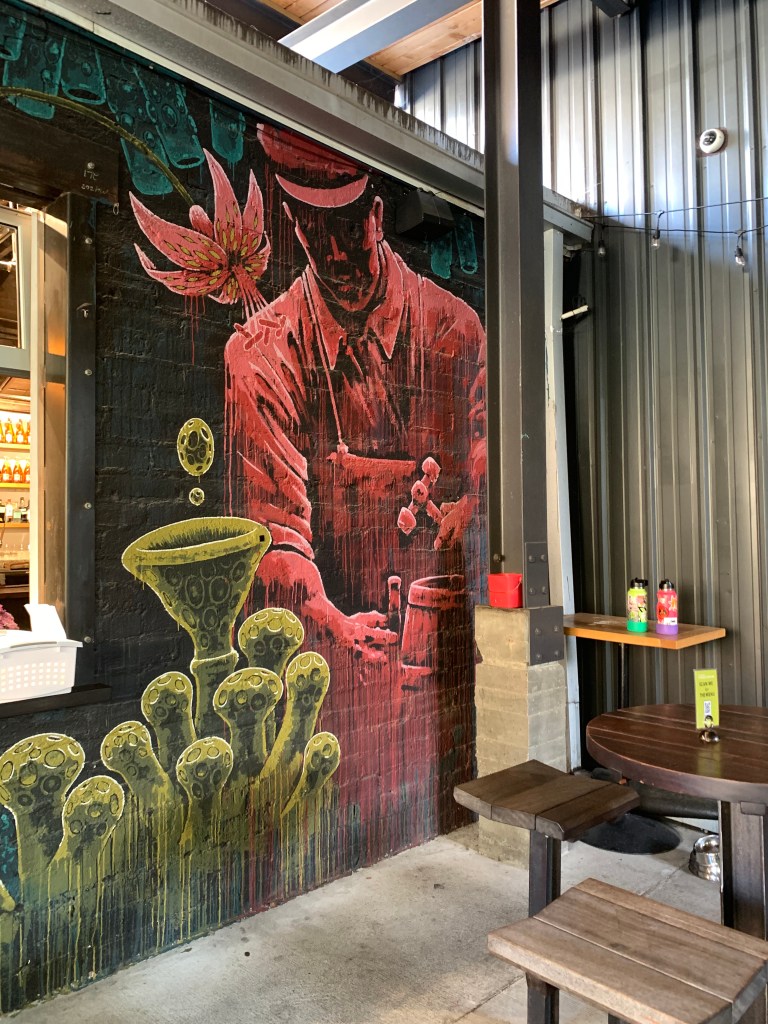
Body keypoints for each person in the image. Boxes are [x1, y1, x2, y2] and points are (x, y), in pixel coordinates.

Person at [225, 124, 487, 667]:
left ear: (377, 216)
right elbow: (271, 536)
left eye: (348, 229)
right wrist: (325, 619)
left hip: (455, 654)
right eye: (316, 233)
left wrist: (477, 508)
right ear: (294, 225)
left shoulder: (456, 331)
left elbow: (494, 472)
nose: (337, 256)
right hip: (339, 667)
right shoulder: (260, 357)